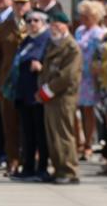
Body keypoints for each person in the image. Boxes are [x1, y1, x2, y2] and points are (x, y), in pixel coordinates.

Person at [35, 11, 83, 184]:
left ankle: (69, 170)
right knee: (53, 136)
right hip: (51, 97)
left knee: (63, 135)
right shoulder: (53, 44)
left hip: (63, 97)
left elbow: (67, 76)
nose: (53, 27)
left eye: (57, 24)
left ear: (66, 26)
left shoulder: (71, 47)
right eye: (52, 24)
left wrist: (46, 91)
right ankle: (58, 169)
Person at [0, 0, 30, 174]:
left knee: (28, 125)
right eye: (17, 3)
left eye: (24, 3)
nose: (20, 7)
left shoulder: (35, 23)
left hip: (29, 83)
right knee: (10, 123)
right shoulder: (5, 26)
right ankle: (12, 159)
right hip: (8, 84)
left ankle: (29, 160)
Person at [9, 10, 53, 182]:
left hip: (38, 94)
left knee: (40, 133)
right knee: (27, 133)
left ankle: (42, 168)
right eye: (29, 21)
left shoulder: (47, 39)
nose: (32, 23)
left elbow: (52, 64)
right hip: (24, 93)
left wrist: (41, 67)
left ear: (44, 23)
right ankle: (27, 167)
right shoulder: (27, 40)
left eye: (36, 20)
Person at [74, 0, 107, 163]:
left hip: (91, 77)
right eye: (82, 15)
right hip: (78, 75)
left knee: (89, 110)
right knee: (76, 111)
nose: (82, 18)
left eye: (86, 15)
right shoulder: (79, 31)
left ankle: (88, 143)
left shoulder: (99, 32)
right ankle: (79, 142)